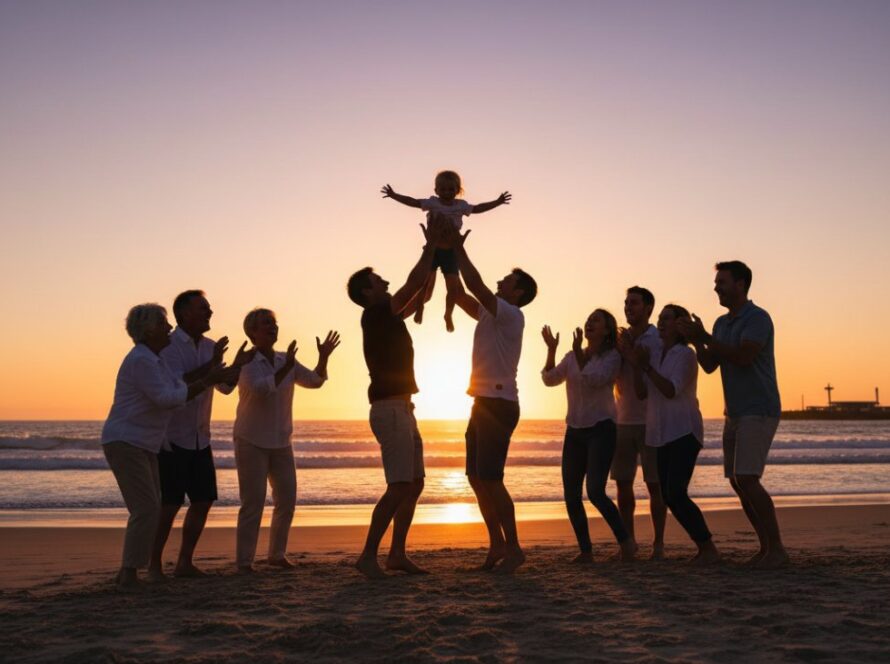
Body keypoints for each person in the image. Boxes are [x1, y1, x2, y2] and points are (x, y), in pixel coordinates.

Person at [101, 304, 232, 589]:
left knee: (148, 508)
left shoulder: (155, 359)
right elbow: (167, 398)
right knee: (147, 508)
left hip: (145, 443)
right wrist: (207, 380)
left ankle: (130, 572)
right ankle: (129, 573)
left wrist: (216, 370)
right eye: (163, 324)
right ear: (148, 330)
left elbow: (178, 387)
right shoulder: (142, 360)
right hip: (126, 441)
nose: (169, 328)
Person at [347, 215, 448, 579]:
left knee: (415, 483)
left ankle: (397, 554)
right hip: (390, 409)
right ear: (367, 293)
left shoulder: (387, 316)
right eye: (378, 281)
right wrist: (430, 246)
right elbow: (410, 284)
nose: (385, 282)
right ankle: (368, 556)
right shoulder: (375, 313)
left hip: (404, 407)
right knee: (399, 485)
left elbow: (423, 291)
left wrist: (437, 257)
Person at [678, 261, 787, 569]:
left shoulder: (758, 318)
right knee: (738, 482)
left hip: (760, 408)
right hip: (735, 412)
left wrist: (705, 336)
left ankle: (777, 549)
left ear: (741, 284)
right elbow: (711, 364)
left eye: (722, 282)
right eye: (716, 282)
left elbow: (743, 357)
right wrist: (698, 338)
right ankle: (766, 548)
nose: (716, 287)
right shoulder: (722, 323)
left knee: (748, 478)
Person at [447, 225, 537, 574]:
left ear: (519, 292)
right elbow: (459, 292)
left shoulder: (511, 314)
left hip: (498, 405)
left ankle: (514, 547)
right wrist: (444, 256)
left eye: (507, 281)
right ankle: (497, 543)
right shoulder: (491, 313)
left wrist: (458, 249)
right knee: (475, 476)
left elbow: (476, 286)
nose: (501, 283)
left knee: (492, 478)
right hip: (481, 402)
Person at [148, 290, 254, 580]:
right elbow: (176, 385)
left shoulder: (210, 346)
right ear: (183, 314)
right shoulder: (168, 347)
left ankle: (184, 562)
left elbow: (224, 387)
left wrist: (237, 367)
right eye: (203, 308)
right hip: (171, 438)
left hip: (200, 437)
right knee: (169, 504)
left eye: (209, 308)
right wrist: (214, 366)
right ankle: (154, 564)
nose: (210, 312)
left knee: (203, 501)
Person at [233, 308, 340, 573]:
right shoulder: (246, 362)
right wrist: (287, 368)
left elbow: (315, 381)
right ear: (252, 332)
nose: (273, 327)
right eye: (266, 324)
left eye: (274, 323)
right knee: (253, 502)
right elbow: (260, 390)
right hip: (251, 439)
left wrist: (323, 357)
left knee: (287, 500)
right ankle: (244, 561)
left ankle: (276, 555)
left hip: (282, 440)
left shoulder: (285, 359)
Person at [541, 310, 635, 562]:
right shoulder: (572, 355)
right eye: (589, 319)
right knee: (571, 495)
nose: (590, 322)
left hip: (601, 429)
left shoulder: (612, 357)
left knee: (595, 490)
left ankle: (626, 542)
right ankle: (586, 551)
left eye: (597, 320)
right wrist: (551, 350)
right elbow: (550, 379)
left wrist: (582, 359)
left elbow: (596, 380)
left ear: (607, 330)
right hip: (574, 431)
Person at [631, 305, 720, 565]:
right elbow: (641, 393)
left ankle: (708, 547)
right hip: (659, 432)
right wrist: (638, 366)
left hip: (683, 430)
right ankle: (705, 547)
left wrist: (646, 368)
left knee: (676, 492)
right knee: (668, 495)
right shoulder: (656, 353)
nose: (660, 322)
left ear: (680, 325)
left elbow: (670, 389)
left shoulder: (685, 355)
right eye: (659, 318)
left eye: (666, 318)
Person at [381, 170, 511, 331]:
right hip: (433, 249)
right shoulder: (432, 203)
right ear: (436, 190)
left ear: (458, 190)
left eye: (451, 189)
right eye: (442, 189)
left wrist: (497, 202)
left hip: (451, 252)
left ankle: (448, 314)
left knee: (453, 289)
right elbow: (413, 202)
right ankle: (420, 306)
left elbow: (478, 208)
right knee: (423, 284)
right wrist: (394, 195)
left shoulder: (461, 206)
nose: (446, 193)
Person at [613, 286, 667, 559]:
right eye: (626, 303)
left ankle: (658, 544)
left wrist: (634, 358)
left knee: (654, 484)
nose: (628, 307)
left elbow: (648, 385)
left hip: (650, 420)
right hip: (622, 419)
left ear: (648, 308)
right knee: (623, 482)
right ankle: (629, 542)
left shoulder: (656, 340)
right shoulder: (620, 339)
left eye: (633, 303)